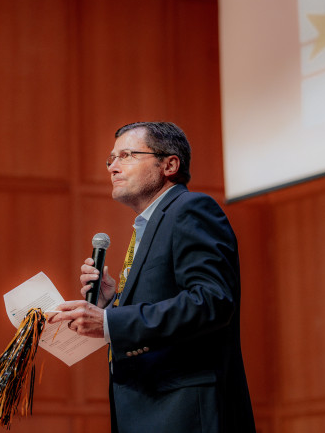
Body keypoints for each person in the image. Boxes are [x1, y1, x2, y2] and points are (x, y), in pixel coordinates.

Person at [50, 122, 256, 433]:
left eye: (127, 155)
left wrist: (110, 324)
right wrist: (111, 304)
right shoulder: (151, 224)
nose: (113, 167)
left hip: (186, 412)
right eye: (111, 159)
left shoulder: (191, 209)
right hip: (149, 410)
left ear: (169, 164)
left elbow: (212, 301)